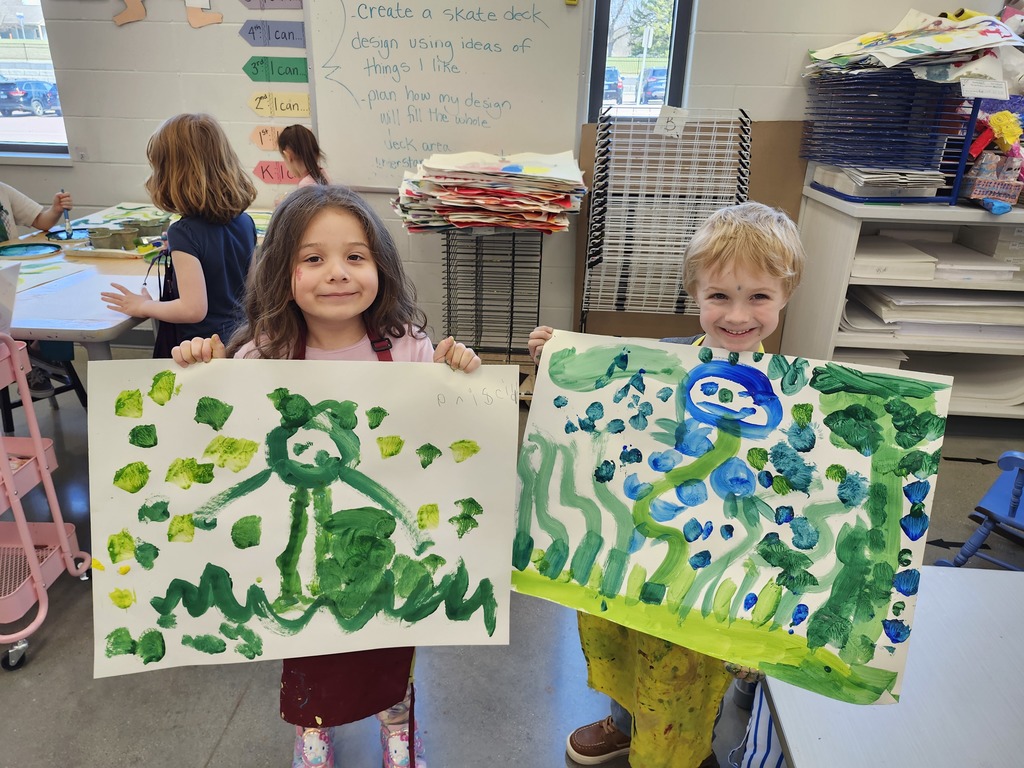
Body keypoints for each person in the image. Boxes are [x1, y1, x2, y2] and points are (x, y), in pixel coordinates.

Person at [170, 183, 482, 768]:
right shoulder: (259, 358)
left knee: (390, 640)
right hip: (297, 544)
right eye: (313, 258)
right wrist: (199, 371)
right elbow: (215, 445)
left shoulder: (409, 350)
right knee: (307, 641)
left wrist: (459, 372)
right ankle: (311, 727)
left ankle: (398, 723)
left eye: (355, 256)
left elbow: (448, 436)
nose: (337, 272)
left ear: (380, 267)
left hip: (380, 542)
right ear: (280, 273)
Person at [527, 201, 805, 768]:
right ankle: (626, 722)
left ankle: (687, 747)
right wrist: (557, 360)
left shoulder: (799, 394)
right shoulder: (663, 361)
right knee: (627, 638)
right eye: (719, 295)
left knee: (692, 672)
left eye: (758, 296)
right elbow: (601, 399)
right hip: (638, 546)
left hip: (713, 561)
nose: (737, 315)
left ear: (785, 296)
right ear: (694, 292)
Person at [101, 113, 257, 357]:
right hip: (241, 341)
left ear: (171, 175)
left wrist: (144, 306)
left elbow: (193, 309)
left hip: (202, 352)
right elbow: (252, 291)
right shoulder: (246, 222)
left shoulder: (183, 233)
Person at [0, 182, 75, 398]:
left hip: (13, 276)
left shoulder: (2, 190)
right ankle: (29, 358)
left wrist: (56, 210)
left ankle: (36, 353)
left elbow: (41, 221)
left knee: (58, 287)